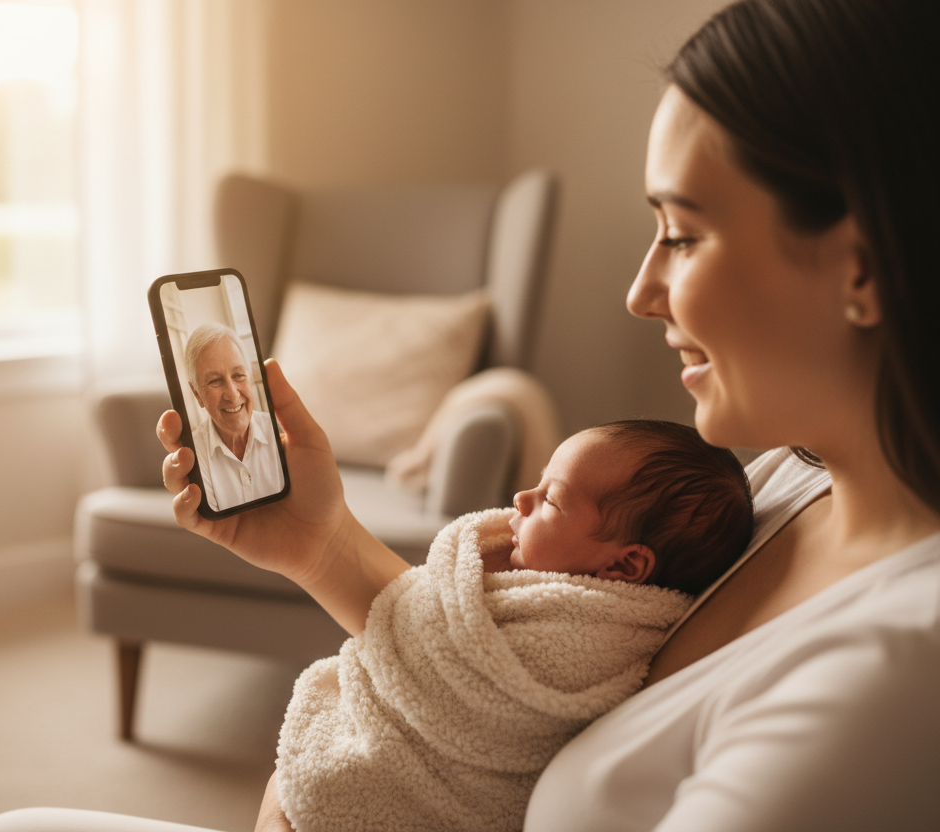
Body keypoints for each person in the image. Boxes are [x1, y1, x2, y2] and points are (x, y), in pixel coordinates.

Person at [156, 1, 939, 829]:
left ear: (860, 266)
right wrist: (322, 544)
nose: (640, 292)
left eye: (682, 235)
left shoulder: (892, 674)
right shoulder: (791, 483)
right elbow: (504, 695)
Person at [274, 420, 752, 832]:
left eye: (552, 500)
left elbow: (452, 683)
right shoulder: (537, 590)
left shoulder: (590, 641)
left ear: (624, 567)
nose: (523, 498)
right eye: (539, 482)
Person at [183, 323, 284, 512]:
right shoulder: (194, 453)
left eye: (238, 375)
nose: (232, 394)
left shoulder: (279, 429)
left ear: (250, 377)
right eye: (215, 380)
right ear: (197, 394)